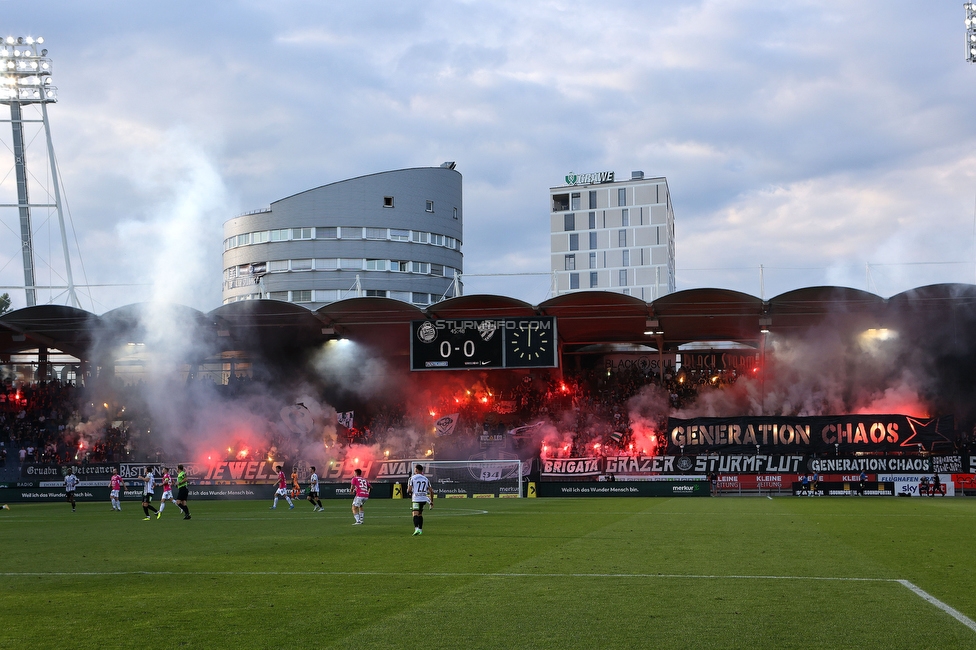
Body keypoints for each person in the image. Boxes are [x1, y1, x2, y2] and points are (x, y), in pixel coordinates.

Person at [406, 464, 432, 536]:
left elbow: (409, 490)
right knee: (420, 514)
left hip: (416, 498)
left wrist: (410, 492)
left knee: (415, 514)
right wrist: (431, 501)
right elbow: (431, 491)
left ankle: (416, 529)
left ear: (416, 470)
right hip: (424, 499)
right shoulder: (426, 479)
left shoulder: (412, 478)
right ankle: (420, 529)